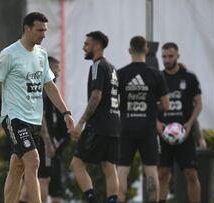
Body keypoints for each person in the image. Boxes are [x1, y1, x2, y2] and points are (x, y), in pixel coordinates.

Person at [0, 12, 74, 203]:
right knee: (33, 162)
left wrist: (65, 112)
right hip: (14, 117)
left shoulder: (41, 55)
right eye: (40, 30)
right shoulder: (9, 54)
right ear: (26, 29)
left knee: (17, 167)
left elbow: (49, 86)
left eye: (45, 30)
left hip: (33, 119)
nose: (43, 34)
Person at [116, 36, 169, 203]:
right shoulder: (156, 74)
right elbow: (166, 105)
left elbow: (114, 102)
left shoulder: (121, 74)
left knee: (122, 170)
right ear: (146, 50)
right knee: (151, 170)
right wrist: (151, 106)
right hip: (147, 129)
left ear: (130, 50)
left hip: (126, 128)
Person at [70, 31, 120, 203]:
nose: (84, 47)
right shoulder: (113, 68)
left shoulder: (97, 66)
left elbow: (96, 96)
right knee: (109, 166)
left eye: (87, 44)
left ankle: (91, 200)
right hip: (114, 125)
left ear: (97, 46)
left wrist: (81, 122)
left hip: (98, 125)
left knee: (77, 164)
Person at [18, 56, 70, 203]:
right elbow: (39, 116)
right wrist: (47, 141)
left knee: (30, 180)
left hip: (33, 139)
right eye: (56, 69)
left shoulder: (47, 89)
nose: (58, 73)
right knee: (42, 180)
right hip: (40, 140)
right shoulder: (42, 89)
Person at [157, 42, 202, 203]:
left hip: (185, 133)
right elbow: (151, 105)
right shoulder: (158, 77)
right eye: (164, 56)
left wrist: (190, 123)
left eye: (170, 56)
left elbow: (199, 104)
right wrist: (157, 123)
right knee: (162, 174)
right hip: (164, 134)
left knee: (191, 174)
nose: (167, 60)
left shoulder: (189, 78)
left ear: (177, 56)